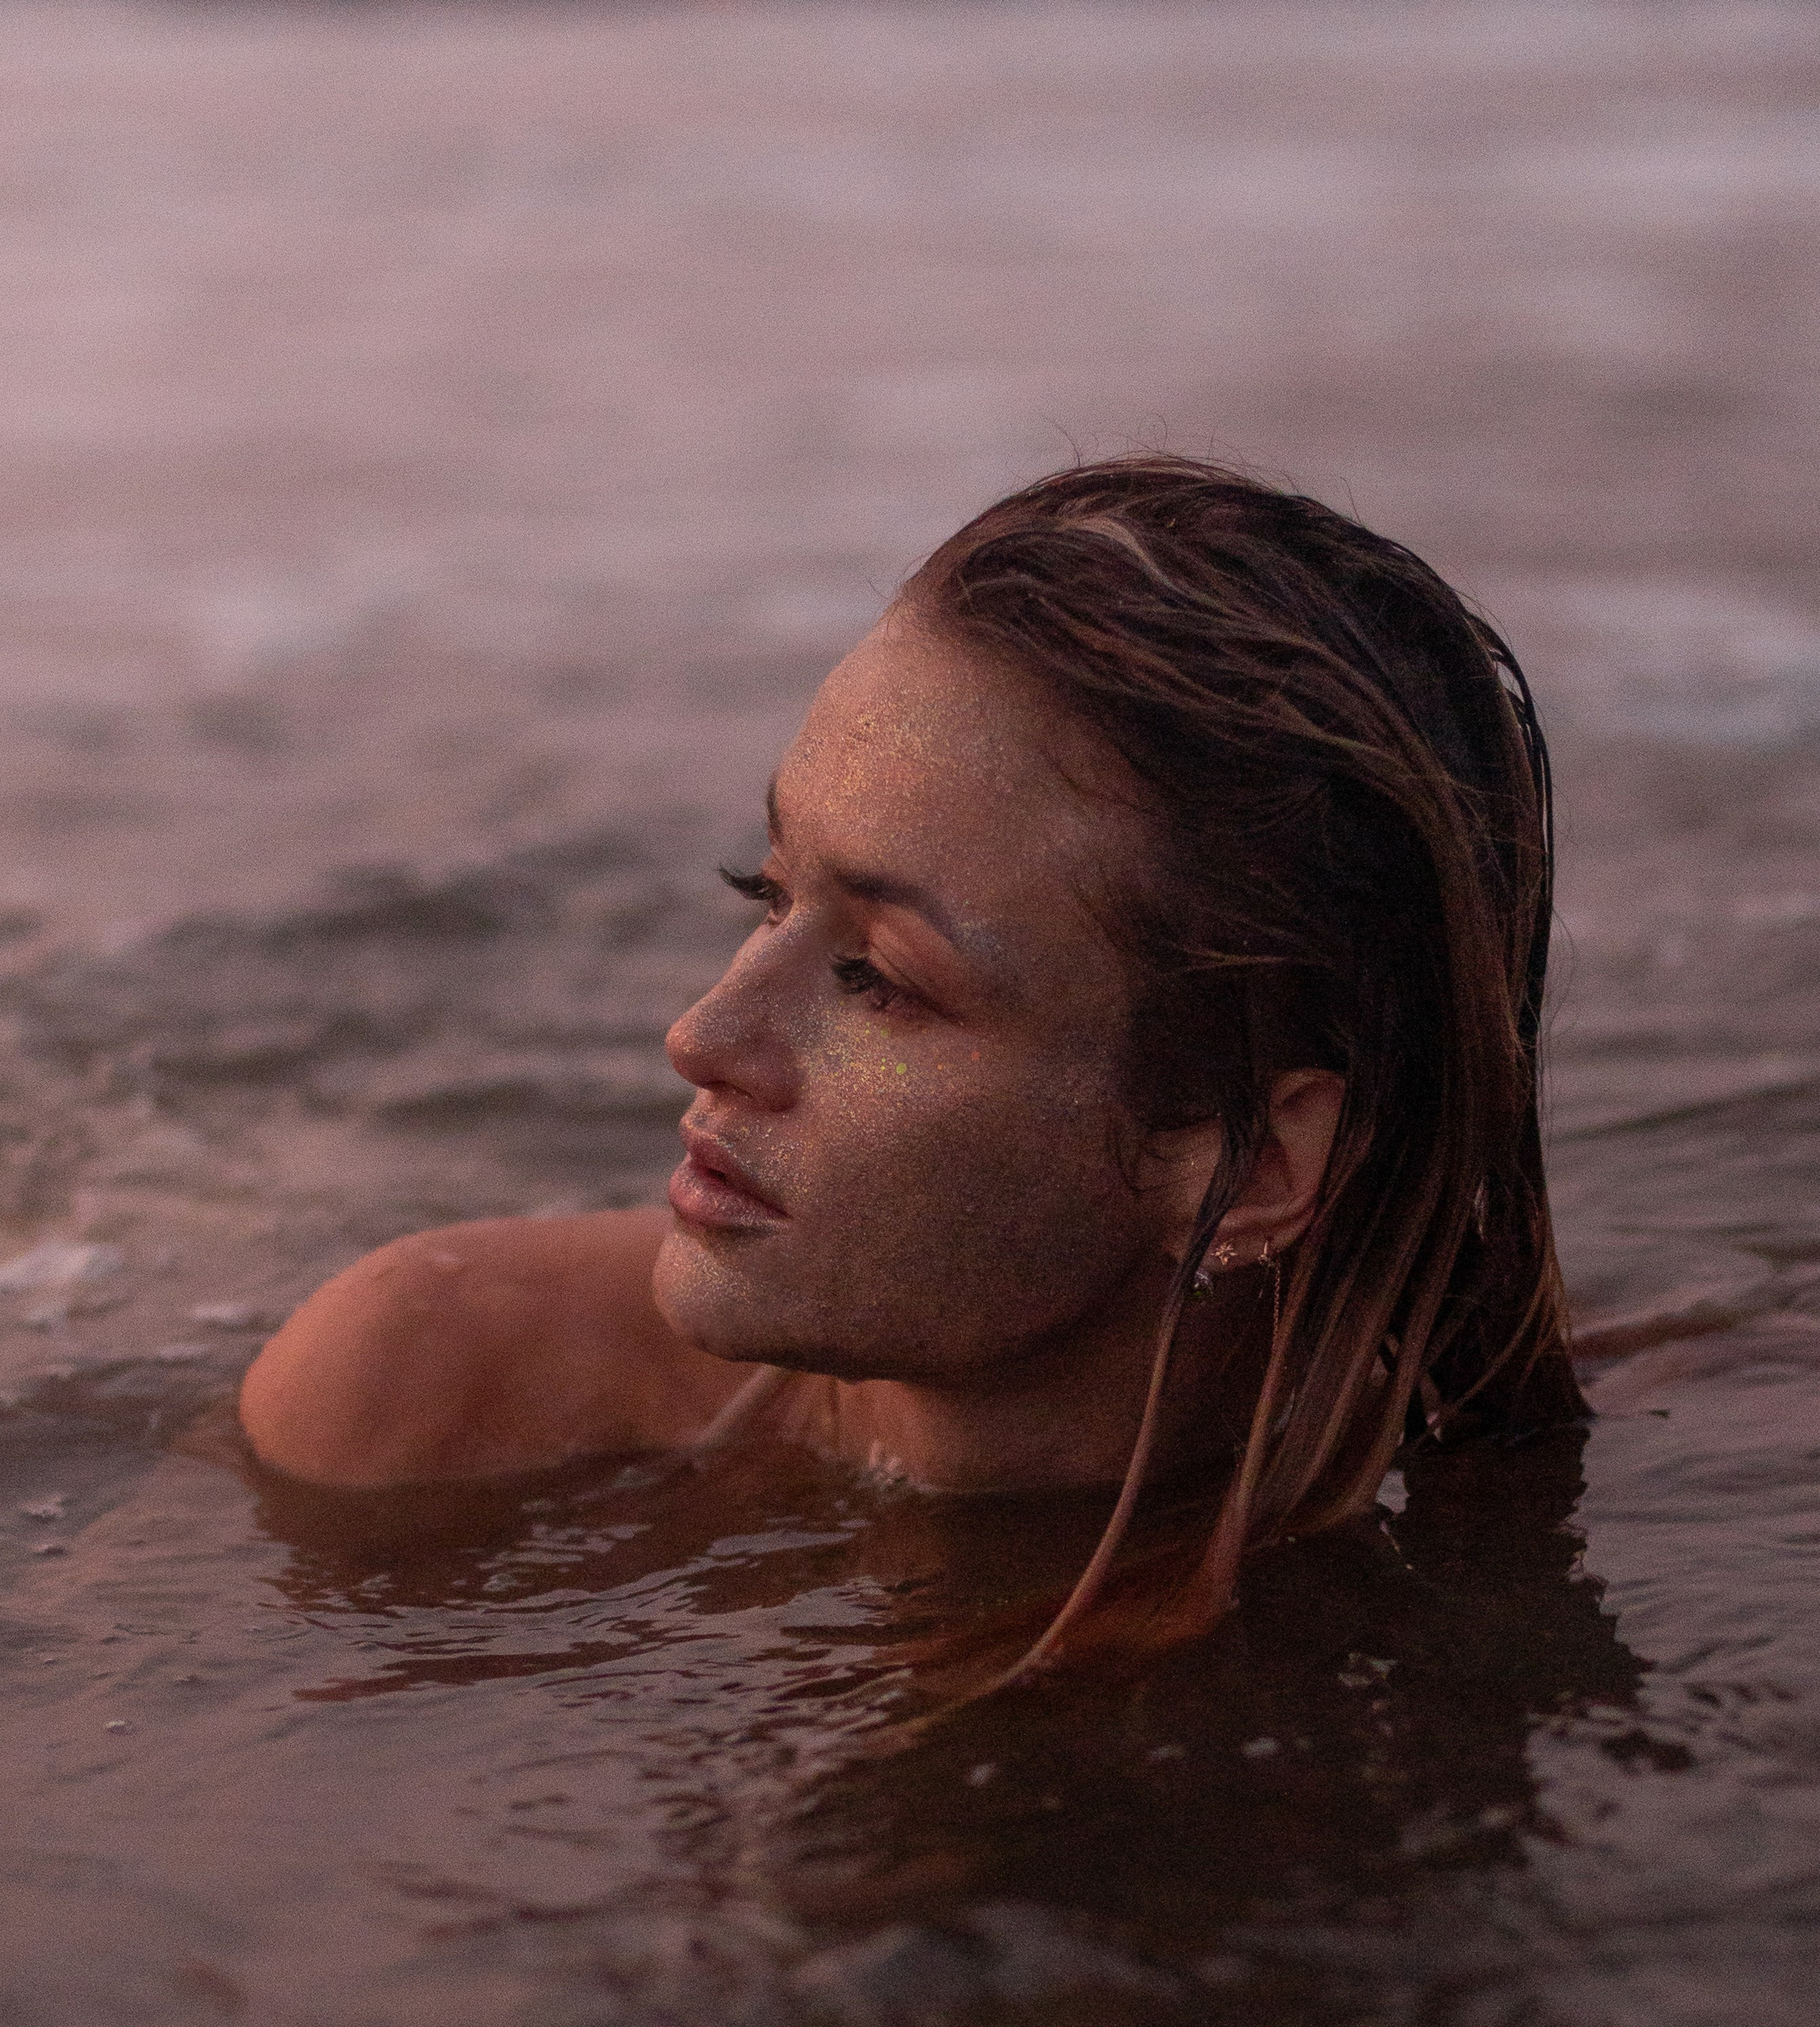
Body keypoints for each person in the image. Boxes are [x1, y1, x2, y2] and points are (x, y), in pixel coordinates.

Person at [240, 455, 1585, 1675]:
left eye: (880, 977)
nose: (702, 1038)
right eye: (767, 894)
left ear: (1254, 1166)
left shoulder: (1503, 1513)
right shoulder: (423, 1396)